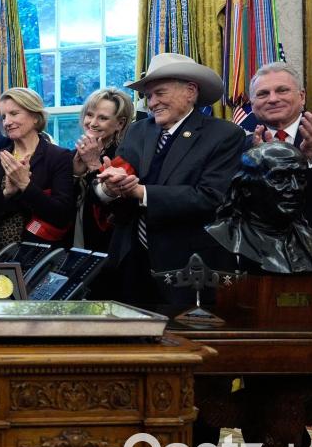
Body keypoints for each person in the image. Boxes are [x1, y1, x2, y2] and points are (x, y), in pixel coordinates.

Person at [96, 52, 245, 304]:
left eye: (160, 93)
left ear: (190, 91)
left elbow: (211, 197)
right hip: (131, 264)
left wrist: (141, 193)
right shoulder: (137, 131)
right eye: (148, 95)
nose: (152, 102)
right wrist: (109, 188)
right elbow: (115, 181)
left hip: (188, 269)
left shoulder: (224, 135)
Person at [247, 61, 312, 321]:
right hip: (262, 275)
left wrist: (311, 159)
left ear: (301, 96)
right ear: (253, 104)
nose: (273, 99)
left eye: (282, 90)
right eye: (263, 94)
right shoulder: (243, 145)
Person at [205, 142, 312, 273]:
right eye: (279, 178)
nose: (295, 188)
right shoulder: (223, 236)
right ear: (246, 188)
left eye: (301, 177)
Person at [0, 87, 75, 254]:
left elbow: (62, 215)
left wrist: (25, 185)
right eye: (3, 117)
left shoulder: (58, 157)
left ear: (35, 116)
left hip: (41, 256)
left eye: (14, 113)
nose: (7, 122)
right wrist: (7, 193)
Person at [71, 88, 135, 252]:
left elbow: (120, 211)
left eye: (103, 118)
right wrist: (76, 174)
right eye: (90, 115)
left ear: (120, 123)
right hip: (74, 236)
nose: (92, 123)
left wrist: (93, 164)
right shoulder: (77, 152)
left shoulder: (126, 155)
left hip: (108, 245)